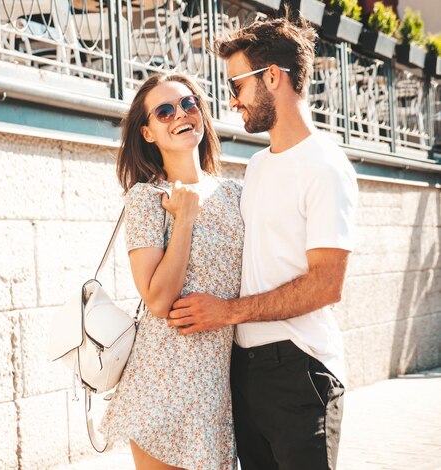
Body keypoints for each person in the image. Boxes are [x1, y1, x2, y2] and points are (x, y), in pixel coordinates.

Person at [166, 15, 359, 470]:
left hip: (302, 369)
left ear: (273, 77)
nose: (232, 101)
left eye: (237, 85)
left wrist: (228, 311)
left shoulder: (326, 167)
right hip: (246, 369)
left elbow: (326, 285)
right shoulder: (256, 167)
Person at [100, 72, 244, 470]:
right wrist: (184, 220)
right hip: (163, 384)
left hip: (219, 386)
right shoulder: (146, 199)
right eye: (164, 111)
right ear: (147, 133)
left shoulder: (235, 194)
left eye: (188, 103)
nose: (180, 114)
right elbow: (159, 300)